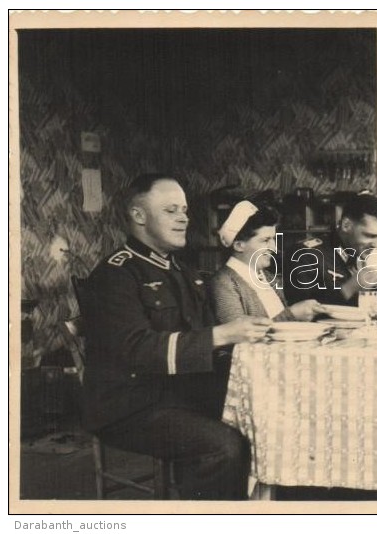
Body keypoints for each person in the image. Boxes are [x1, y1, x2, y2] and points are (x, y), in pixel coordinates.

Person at [81, 173, 271, 500]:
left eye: (184, 210)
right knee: (223, 448)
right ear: (139, 216)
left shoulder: (182, 271)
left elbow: (201, 337)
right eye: (171, 210)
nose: (184, 217)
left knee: (268, 415)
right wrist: (220, 335)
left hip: (178, 390)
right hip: (129, 406)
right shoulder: (114, 275)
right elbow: (137, 350)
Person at [209, 199, 324, 323]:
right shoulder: (223, 283)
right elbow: (238, 334)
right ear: (238, 245)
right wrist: (292, 314)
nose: (274, 248)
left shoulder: (268, 277)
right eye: (265, 240)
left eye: (273, 239)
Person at [283, 192, 377, 306]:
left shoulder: (355, 252)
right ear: (346, 225)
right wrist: (349, 288)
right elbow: (301, 311)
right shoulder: (306, 254)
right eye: (370, 235)